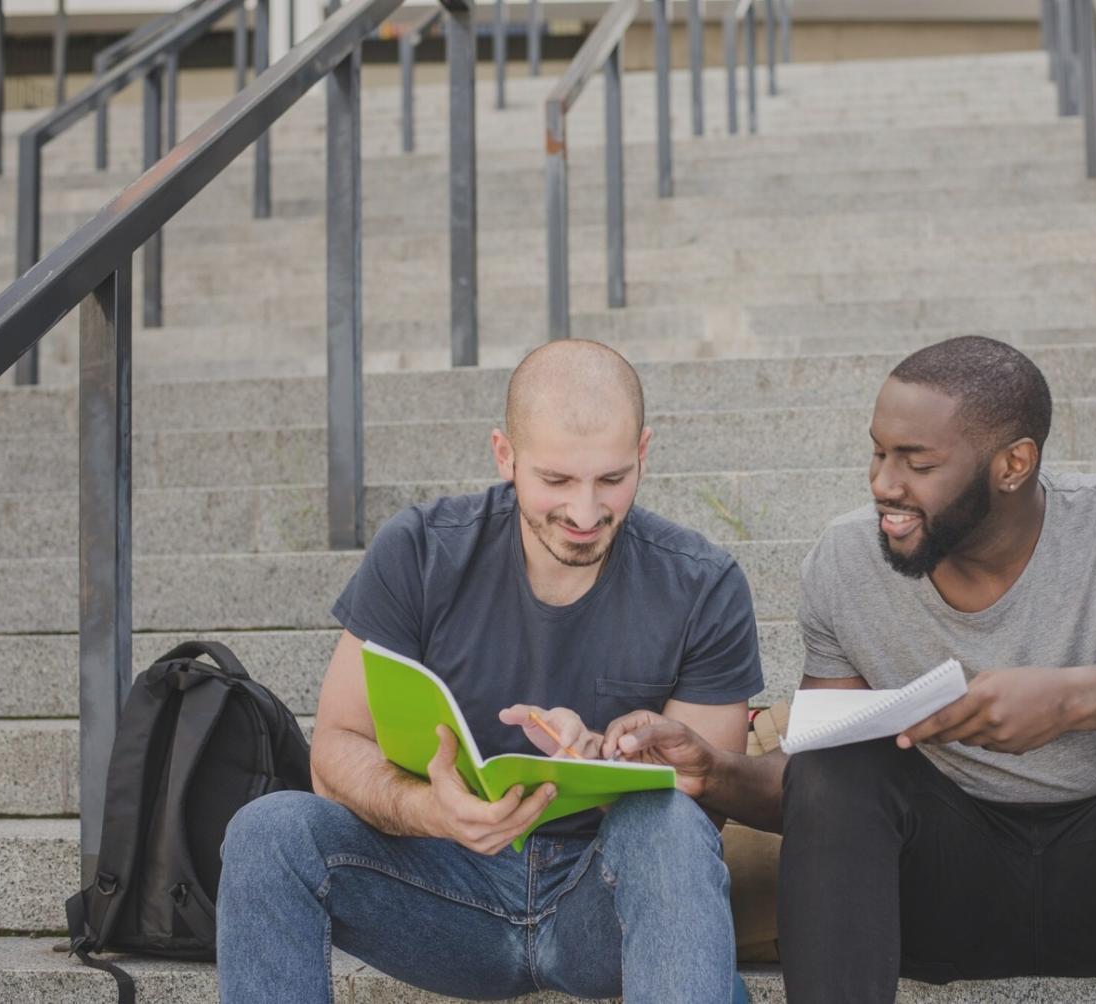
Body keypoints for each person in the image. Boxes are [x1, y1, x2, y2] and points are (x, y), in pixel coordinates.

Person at [602, 335, 1096, 1004]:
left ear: (1012, 464)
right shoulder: (845, 562)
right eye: (877, 453)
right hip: (943, 901)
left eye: (916, 462)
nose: (883, 483)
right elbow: (813, 792)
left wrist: (1077, 698)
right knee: (837, 770)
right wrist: (719, 773)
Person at [216, 340, 763, 1003]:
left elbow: (705, 801)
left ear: (643, 452)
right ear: (504, 454)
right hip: (442, 894)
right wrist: (431, 809)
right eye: (556, 481)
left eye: (612, 479)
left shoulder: (702, 584)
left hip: (603, 910)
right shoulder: (420, 551)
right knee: (267, 833)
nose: (586, 514)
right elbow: (335, 750)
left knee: (668, 821)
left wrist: (604, 763)